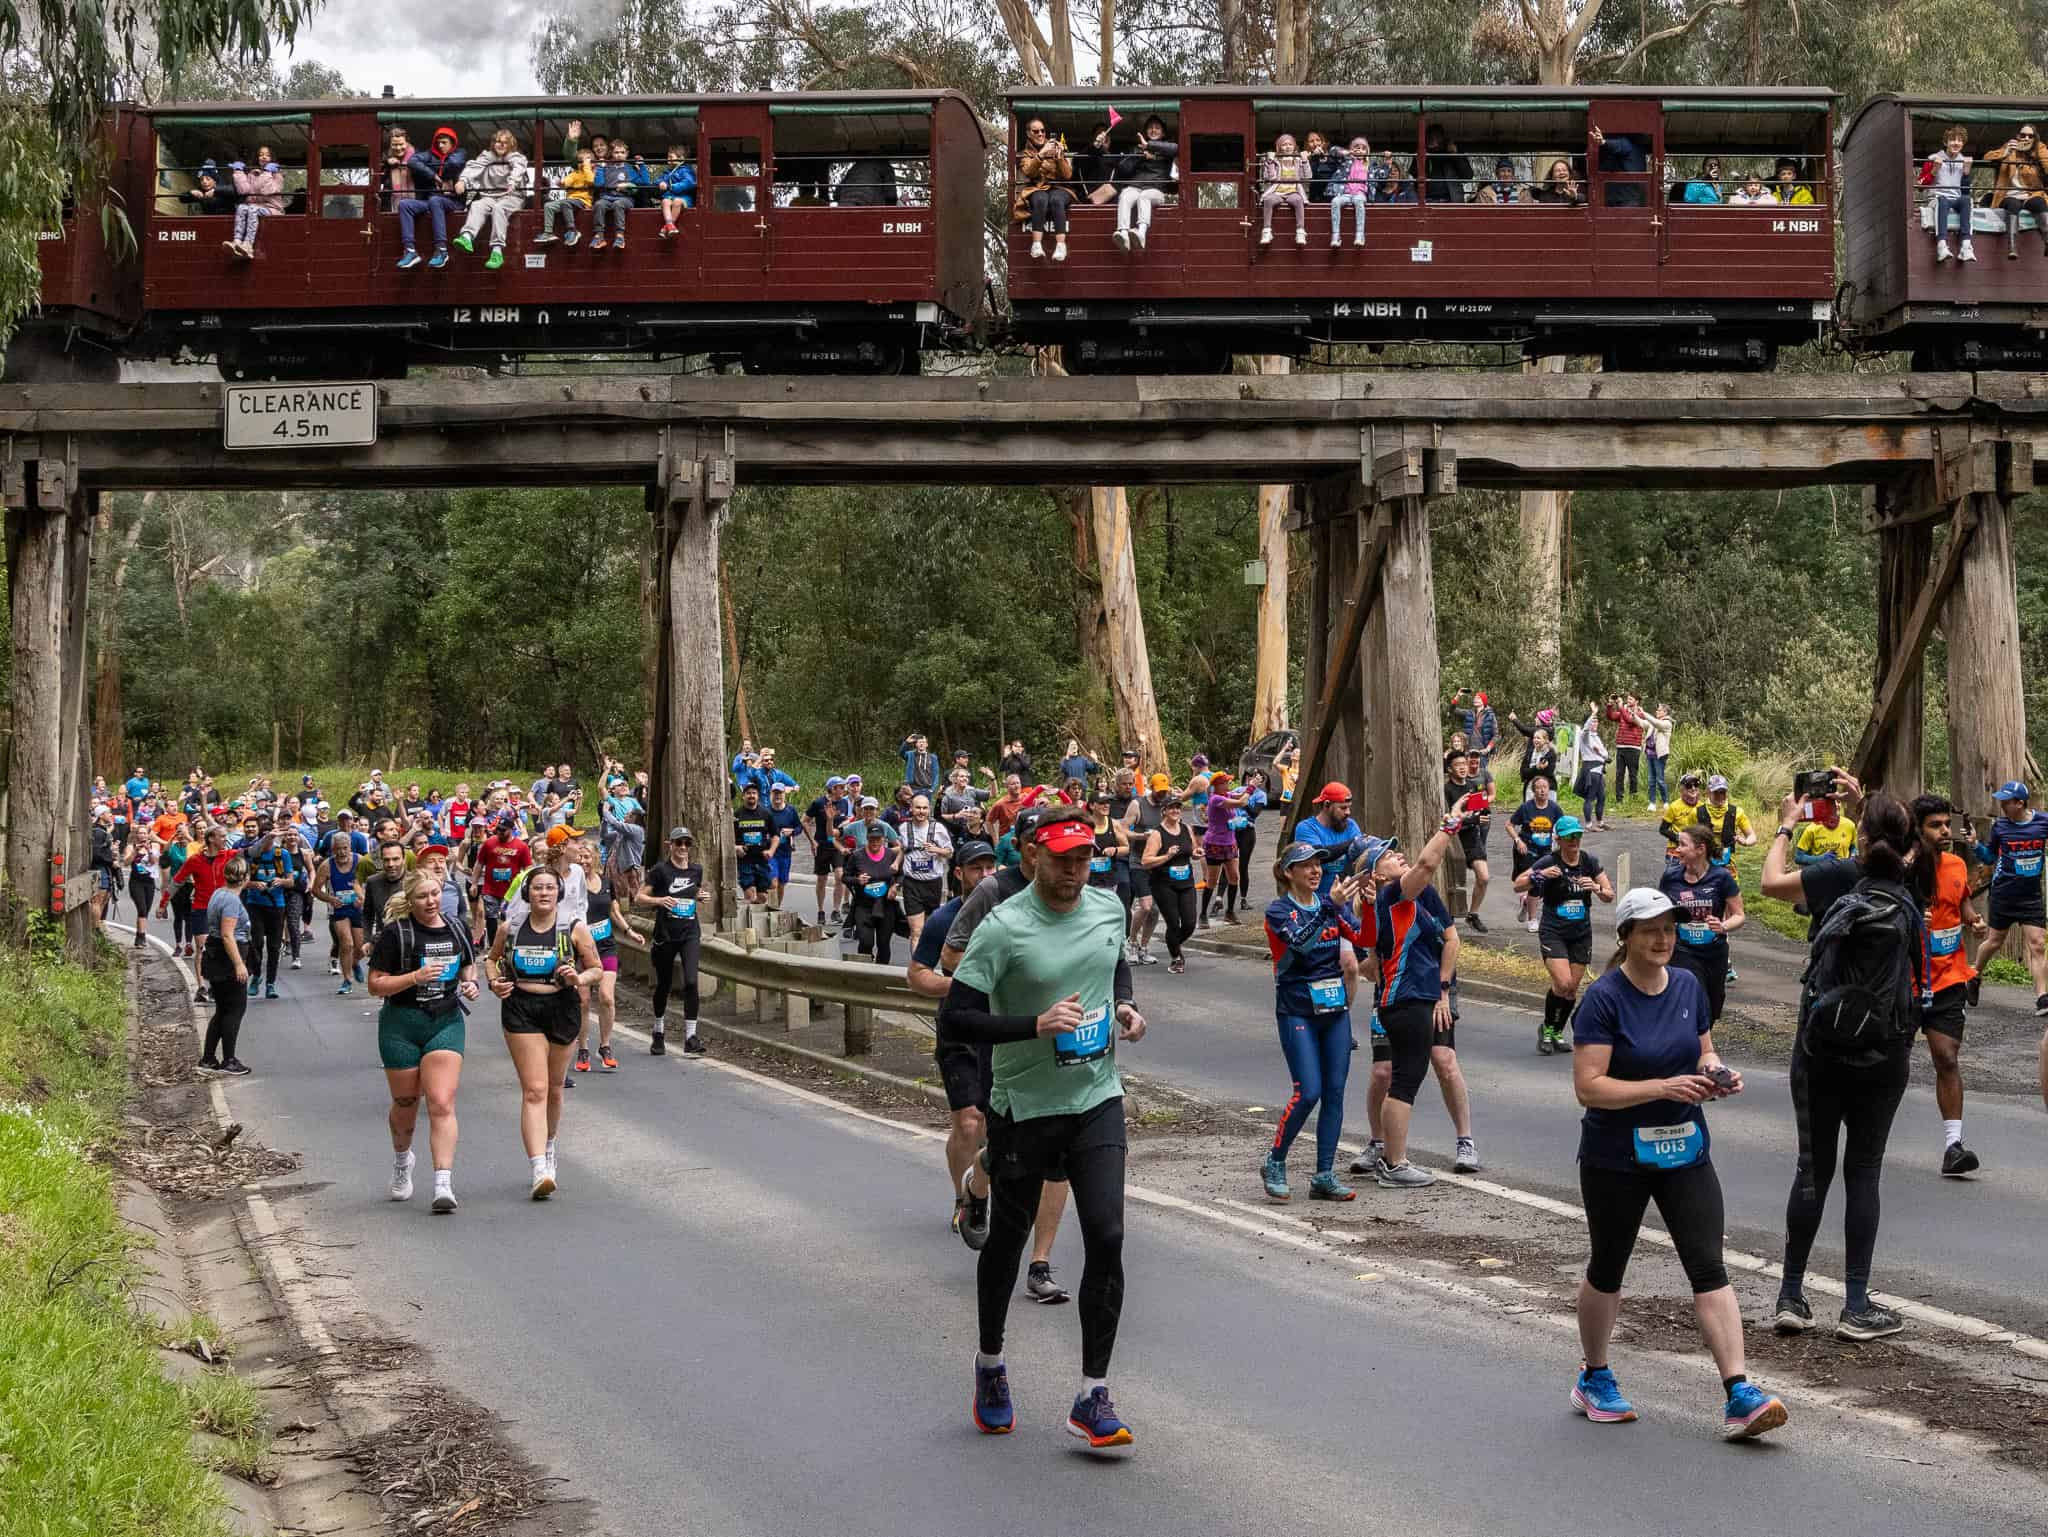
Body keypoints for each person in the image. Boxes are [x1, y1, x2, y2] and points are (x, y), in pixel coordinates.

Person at [939, 809, 1146, 1449]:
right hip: (1023, 1105)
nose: (1073, 873)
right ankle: (991, 1364)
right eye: (1061, 861)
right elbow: (958, 1020)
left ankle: (1092, 1394)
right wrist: (1035, 1025)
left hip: (1095, 1096)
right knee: (1008, 1239)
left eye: (1083, 860)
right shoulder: (1004, 928)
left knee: (1107, 1235)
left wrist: (1128, 1005)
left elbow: (1113, 964)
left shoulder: (1108, 908)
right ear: (1034, 856)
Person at [1568, 888, 1788, 1441]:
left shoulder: (1688, 985)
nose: (1664, 939)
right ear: (1626, 938)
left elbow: (1703, 1049)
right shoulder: (1603, 999)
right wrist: (1662, 1087)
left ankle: (1739, 1391)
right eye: (1650, 930)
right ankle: (1594, 1375)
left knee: (1707, 1264)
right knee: (1608, 1265)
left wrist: (1717, 1072)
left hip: (1685, 1147)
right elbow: (1588, 1088)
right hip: (1616, 1155)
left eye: (1669, 928)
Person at [1763, 790, 1923, 1344]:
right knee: (1864, 1171)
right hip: (1885, 1051)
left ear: (1858, 837)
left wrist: (1787, 826)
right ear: (1910, 844)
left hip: (1819, 1047)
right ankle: (1855, 1303)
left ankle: (1790, 1294)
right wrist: (1867, 806)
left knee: (1813, 1167)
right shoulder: (1913, 881)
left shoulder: (1837, 874)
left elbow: (1768, 883)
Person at [367, 869, 480, 1214]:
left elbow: (468, 966)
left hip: (444, 1021)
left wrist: (470, 984)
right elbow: (375, 985)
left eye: (435, 894)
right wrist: (414, 977)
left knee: (442, 1101)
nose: (430, 902)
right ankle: (403, 1161)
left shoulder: (456, 927)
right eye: (422, 896)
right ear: (410, 900)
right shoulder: (395, 934)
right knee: (405, 1101)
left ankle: (443, 1182)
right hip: (401, 1023)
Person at [485, 866, 602, 1201]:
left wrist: (577, 978)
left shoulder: (573, 928)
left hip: (561, 1008)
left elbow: (596, 968)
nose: (544, 894)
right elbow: (491, 960)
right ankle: (538, 1168)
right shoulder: (511, 928)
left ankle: (549, 1145)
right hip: (521, 1008)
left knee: (553, 1089)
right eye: (537, 888)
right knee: (534, 1090)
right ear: (527, 892)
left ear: (559, 892)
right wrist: (495, 982)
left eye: (550, 888)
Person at [1261, 843, 1368, 1202]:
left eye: (1318, 863)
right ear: (1288, 873)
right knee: (1308, 1091)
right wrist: (1330, 907)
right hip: (1297, 1010)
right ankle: (1275, 1161)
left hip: (1334, 1011)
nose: (1315, 870)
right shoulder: (1279, 911)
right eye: (1304, 865)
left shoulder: (1330, 905)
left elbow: (1365, 939)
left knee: (1335, 1092)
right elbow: (1302, 944)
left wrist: (1370, 904)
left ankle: (1324, 1174)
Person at [909, 841, 1003, 1246]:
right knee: (968, 1122)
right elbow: (917, 975)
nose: (983, 875)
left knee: (996, 1123)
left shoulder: (1009, 915)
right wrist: (961, 985)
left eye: (989, 867)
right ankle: (963, 1200)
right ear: (959, 873)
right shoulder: (943, 920)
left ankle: (985, 1192)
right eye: (974, 868)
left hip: (1002, 1032)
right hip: (958, 1030)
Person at [1366, 816, 1466, 1188]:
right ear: (1375, 875)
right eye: (1388, 856)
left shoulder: (1407, 900)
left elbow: (1449, 937)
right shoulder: (1393, 895)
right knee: (1405, 1081)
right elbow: (1428, 864)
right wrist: (1448, 829)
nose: (1399, 855)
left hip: (1413, 997)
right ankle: (1395, 1164)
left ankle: (1394, 1160)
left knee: (1406, 1079)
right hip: (1405, 999)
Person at [1911, 795, 1984, 1176]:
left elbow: (1962, 905)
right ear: (1916, 829)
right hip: (1905, 981)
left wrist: (1974, 922)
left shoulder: (1956, 865)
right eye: (1935, 826)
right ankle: (1865, 1134)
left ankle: (1953, 1146)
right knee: (1886, 1065)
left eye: (1946, 825)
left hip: (1950, 976)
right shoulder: (1902, 870)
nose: (1944, 832)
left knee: (1947, 1056)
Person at [1517, 814, 1614, 1054]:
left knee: (1571, 989)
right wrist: (1539, 876)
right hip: (1554, 932)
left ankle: (1556, 1030)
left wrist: (1597, 888)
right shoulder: (1548, 861)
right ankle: (1548, 1029)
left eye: (1578, 835)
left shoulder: (1589, 861)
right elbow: (1518, 884)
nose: (1575, 840)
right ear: (1558, 839)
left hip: (1581, 933)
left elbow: (1610, 894)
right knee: (1563, 982)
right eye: (1569, 836)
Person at [1969, 780, 2048, 1014]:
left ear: (2020, 803)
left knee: (2038, 944)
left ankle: (2043, 997)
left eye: (2006, 801)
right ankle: (1975, 975)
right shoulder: (2001, 827)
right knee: (1994, 942)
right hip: (2004, 893)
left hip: (2031, 895)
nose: (2002, 805)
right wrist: (1974, 844)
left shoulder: (2043, 822)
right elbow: (1990, 857)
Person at [1657, 824, 1744, 1025]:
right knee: (1696, 997)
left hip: (1714, 952)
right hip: (1682, 950)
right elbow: (1660, 912)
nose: (1677, 849)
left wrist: (1723, 926)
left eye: (1682, 845)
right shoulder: (1671, 877)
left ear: (1700, 849)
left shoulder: (1721, 877)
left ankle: (1698, 1044)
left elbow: (1739, 915)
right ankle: (1691, 1048)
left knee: (1713, 1007)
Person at [636, 827, 706, 1056]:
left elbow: (692, 892)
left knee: (692, 982)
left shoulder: (697, 870)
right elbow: (639, 897)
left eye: (687, 843)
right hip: (665, 935)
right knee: (664, 985)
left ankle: (691, 1037)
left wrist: (700, 896)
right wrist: (659, 900)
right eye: (679, 844)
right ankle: (658, 1031)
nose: (683, 848)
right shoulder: (660, 871)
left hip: (690, 933)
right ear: (670, 845)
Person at [574, 838, 639, 1073]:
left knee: (606, 997)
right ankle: (582, 1048)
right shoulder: (571, 885)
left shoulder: (606, 883)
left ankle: (605, 1046)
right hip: (581, 951)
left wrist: (629, 931)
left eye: (587, 857)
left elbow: (614, 911)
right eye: (579, 857)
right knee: (582, 1001)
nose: (583, 861)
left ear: (595, 858)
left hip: (605, 946)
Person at [195, 856, 254, 1076]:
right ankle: (229, 1059)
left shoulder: (218, 893)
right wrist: (239, 964)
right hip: (226, 957)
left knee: (222, 1010)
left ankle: (208, 1058)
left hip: (215, 954)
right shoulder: (231, 900)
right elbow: (227, 934)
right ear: (245, 877)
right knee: (235, 1009)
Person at [1139, 791, 1199, 974]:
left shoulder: (1186, 828)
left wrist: (1197, 853)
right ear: (1164, 811)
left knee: (1189, 923)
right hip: (1163, 884)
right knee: (1173, 923)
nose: (1175, 811)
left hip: (1186, 882)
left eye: (1178, 807)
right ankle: (1176, 957)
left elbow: (1193, 850)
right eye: (1171, 808)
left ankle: (1172, 943)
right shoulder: (1157, 834)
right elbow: (1145, 861)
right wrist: (1167, 856)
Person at [452, 128, 530, 270]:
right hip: (489, 196)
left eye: (505, 143)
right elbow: (473, 167)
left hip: (512, 196)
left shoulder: (517, 158)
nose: (501, 145)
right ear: (493, 143)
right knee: (476, 205)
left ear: (511, 145)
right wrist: (463, 180)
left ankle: (497, 250)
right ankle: (467, 237)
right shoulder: (486, 157)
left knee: (499, 209)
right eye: (498, 142)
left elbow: (519, 168)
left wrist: (512, 182)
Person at [396, 125, 466, 271]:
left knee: (435, 200)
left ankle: (441, 249)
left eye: (444, 142)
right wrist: (433, 175)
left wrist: (441, 171)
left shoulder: (460, 152)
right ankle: (410, 251)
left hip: (452, 202)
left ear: (452, 143)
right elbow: (413, 161)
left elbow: (454, 162)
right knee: (404, 205)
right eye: (438, 142)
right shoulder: (429, 154)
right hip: (432, 201)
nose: (440, 145)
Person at [312, 832, 367, 995]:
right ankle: (347, 979)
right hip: (339, 908)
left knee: (360, 948)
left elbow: (373, 881)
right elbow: (315, 890)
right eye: (338, 849)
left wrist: (363, 897)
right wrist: (330, 899)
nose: (342, 853)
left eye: (345, 848)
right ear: (332, 849)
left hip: (358, 907)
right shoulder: (327, 865)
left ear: (350, 847)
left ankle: (354, 963)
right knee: (346, 943)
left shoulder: (360, 861)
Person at [1111, 116, 1177, 254]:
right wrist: (1140, 155)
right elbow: (1123, 169)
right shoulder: (1137, 148)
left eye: (1157, 128)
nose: (1153, 130)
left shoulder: (1167, 148)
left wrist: (1150, 146)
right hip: (1136, 185)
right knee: (1125, 195)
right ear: (1146, 131)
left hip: (1156, 189)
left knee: (1144, 196)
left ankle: (1141, 234)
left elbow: (1175, 149)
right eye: (1150, 128)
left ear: (1163, 133)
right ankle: (1123, 234)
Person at [1443, 751, 1492, 932]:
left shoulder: (1474, 786)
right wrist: (1474, 819)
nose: (1463, 767)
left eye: (1464, 763)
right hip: (1453, 839)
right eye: (1458, 765)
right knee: (1454, 880)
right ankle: (1448, 915)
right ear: (1449, 769)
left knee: (1484, 877)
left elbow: (1483, 810)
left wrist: (1483, 814)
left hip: (1472, 838)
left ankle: (1473, 915)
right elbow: (1448, 819)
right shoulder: (1446, 790)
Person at [1013, 119, 1073, 263]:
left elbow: (1067, 175)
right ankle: (1036, 245)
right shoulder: (1025, 154)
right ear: (1028, 134)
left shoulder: (1054, 147)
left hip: (1058, 188)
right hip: (1036, 187)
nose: (1040, 134)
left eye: (1042, 131)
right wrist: (1041, 155)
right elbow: (1029, 172)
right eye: (1035, 131)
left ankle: (1060, 245)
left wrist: (1059, 157)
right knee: (1040, 200)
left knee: (1056, 200)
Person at [845, 819, 903, 966]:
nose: (875, 842)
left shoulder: (891, 855)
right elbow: (844, 877)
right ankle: (864, 972)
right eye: (872, 839)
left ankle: (881, 974)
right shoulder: (857, 855)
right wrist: (857, 880)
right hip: (864, 905)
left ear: (884, 839)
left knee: (884, 944)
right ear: (867, 839)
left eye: (878, 839)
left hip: (886, 905)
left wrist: (895, 886)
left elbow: (901, 875)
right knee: (866, 942)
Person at [1985, 123, 2048, 260]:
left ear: (2034, 138)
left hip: (2030, 194)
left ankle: (2047, 241)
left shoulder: (2039, 148)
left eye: (2030, 136)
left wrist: (2037, 151)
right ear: (2017, 136)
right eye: (2023, 135)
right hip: (2009, 195)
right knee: (2013, 205)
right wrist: (2006, 152)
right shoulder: (2010, 147)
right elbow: (1987, 157)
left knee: (2040, 202)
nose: (2026, 138)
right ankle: (2012, 247)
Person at [1508, 773, 1560, 932]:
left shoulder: (1554, 808)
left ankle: (1526, 903)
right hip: (1527, 850)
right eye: (1538, 788)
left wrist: (1559, 839)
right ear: (1533, 791)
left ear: (1549, 789)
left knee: (1545, 885)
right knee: (1534, 882)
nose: (1542, 791)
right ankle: (1532, 919)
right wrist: (1518, 841)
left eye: (1545, 787)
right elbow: (1509, 824)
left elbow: (1561, 825)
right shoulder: (1526, 808)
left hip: (1545, 851)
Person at [1199, 771, 1247, 924]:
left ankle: (1230, 912)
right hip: (1215, 844)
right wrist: (1252, 788)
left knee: (1234, 877)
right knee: (1212, 879)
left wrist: (1253, 785)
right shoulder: (1216, 799)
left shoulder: (1226, 794)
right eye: (1225, 783)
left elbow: (1240, 797)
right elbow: (1241, 803)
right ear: (1217, 785)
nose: (1228, 785)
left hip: (1230, 842)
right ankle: (1203, 914)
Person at [1921, 128, 1974, 264]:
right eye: (1952, 140)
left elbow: (1966, 191)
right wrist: (1933, 171)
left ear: (1963, 144)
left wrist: (1967, 173)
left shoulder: (1964, 160)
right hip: (1937, 198)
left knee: (1966, 200)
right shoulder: (1933, 158)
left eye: (1960, 140)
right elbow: (1920, 185)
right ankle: (1941, 246)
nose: (1956, 143)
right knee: (1942, 201)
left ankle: (1966, 247)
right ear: (1946, 142)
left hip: (1955, 198)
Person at [591, 140, 650, 252]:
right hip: (607, 197)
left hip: (625, 198)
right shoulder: (607, 167)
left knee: (618, 204)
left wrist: (642, 166)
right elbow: (598, 184)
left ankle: (619, 236)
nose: (619, 155)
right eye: (616, 152)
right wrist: (600, 168)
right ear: (611, 154)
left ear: (626, 154)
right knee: (599, 204)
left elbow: (645, 182)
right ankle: (599, 236)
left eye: (622, 152)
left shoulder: (630, 169)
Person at [224, 151, 284, 259]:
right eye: (261, 155)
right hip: (255, 205)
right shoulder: (253, 174)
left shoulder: (278, 176)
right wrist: (238, 173)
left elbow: (267, 191)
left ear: (272, 158)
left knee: (252, 209)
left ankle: (248, 245)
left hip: (272, 208)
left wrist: (266, 173)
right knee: (242, 207)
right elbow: (244, 191)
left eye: (267, 155)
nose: (264, 157)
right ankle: (237, 241)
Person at [1258, 132, 1311, 246]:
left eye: (1290, 144)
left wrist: (1305, 161)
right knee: (1268, 200)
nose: (1287, 147)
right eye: (1284, 144)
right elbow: (1269, 177)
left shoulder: (1298, 159)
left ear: (1294, 146)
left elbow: (1307, 176)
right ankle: (1267, 231)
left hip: (1293, 191)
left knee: (1298, 200)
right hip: (1277, 191)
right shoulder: (1276, 160)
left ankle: (1300, 231)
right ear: (1279, 147)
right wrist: (1270, 162)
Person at [536, 145, 595, 246]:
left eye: (587, 160)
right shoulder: (575, 173)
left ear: (592, 163)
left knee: (565, 203)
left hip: (583, 201)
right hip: (570, 201)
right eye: (581, 161)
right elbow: (566, 182)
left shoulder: (592, 173)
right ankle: (548, 232)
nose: (583, 163)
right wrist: (560, 182)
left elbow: (590, 181)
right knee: (548, 206)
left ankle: (572, 230)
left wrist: (587, 167)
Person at [1326, 135, 1373, 246]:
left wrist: (1388, 163)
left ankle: (1360, 236)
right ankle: (1336, 236)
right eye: (1356, 147)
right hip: (1345, 193)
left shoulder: (1370, 164)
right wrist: (1346, 153)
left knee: (1358, 201)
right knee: (1335, 201)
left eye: (1363, 148)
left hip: (1360, 193)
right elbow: (1332, 151)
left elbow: (1382, 175)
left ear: (1367, 151)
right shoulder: (1346, 161)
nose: (1359, 150)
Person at [733, 783, 775, 906]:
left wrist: (771, 851)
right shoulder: (736, 815)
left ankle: (755, 918)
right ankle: (750, 923)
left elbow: (776, 835)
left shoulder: (766, 814)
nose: (751, 795)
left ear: (758, 796)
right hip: (745, 859)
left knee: (762, 897)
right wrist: (735, 848)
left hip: (761, 859)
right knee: (750, 893)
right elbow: (727, 838)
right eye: (748, 793)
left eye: (754, 793)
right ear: (743, 796)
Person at [1701, 775, 1756, 868]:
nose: (1720, 796)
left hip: (1728, 865)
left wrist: (1745, 842)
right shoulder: (1697, 812)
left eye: (1723, 792)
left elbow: (1752, 836)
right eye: (1716, 792)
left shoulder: (1737, 812)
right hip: (1703, 865)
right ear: (1708, 792)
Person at [1232, 770, 1270, 902]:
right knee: (1228, 864)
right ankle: (1219, 899)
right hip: (1233, 830)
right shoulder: (1237, 789)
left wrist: (1245, 802)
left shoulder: (1261, 795)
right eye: (1250, 775)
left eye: (1257, 777)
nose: (1252, 778)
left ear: (1261, 781)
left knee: (1243, 866)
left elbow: (1254, 813)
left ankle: (1243, 898)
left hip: (1247, 831)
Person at [1605, 694, 1645, 808]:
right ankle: (1619, 800)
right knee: (1619, 775)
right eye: (1628, 699)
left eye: (1631, 699)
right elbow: (1611, 716)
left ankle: (1633, 799)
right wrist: (1610, 705)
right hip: (1621, 747)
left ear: (1637, 701)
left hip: (1633, 748)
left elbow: (1629, 720)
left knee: (1633, 775)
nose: (1628, 700)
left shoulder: (1640, 714)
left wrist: (1621, 706)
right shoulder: (1624, 711)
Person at [1574, 706, 1609, 829]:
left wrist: (1602, 754)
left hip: (1599, 769)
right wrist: (1593, 713)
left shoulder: (1596, 737)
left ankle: (1600, 822)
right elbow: (1585, 730)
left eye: (1596, 720)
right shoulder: (1585, 736)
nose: (1595, 723)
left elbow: (1605, 754)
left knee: (1601, 796)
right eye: (1592, 721)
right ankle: (1589, 824)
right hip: (1591, 769)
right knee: (1590, 797)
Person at [1422, 123, 1472, 205]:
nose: (1434, 140)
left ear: (1442, 137)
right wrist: (1424, 155)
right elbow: (1415, 174)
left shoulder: (1453, 151)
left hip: (1451, 200)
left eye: (1437, 136)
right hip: (1428, 200)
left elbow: (1468, 176)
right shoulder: (1424, 152)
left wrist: (1455, 154)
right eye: (1431, 137)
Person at [655, 142, 696, 239]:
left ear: (681, 158)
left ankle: (666, 228)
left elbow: (688, 183)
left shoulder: (686, 170)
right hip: (670, 196)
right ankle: (670, 225)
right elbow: (659, 180)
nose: (668, 158)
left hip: (684, 198)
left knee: (677, 202)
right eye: (667, 156)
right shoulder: (667, 172)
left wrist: (671, 186)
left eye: (670, 156)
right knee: (665, 201)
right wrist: (660, 183)